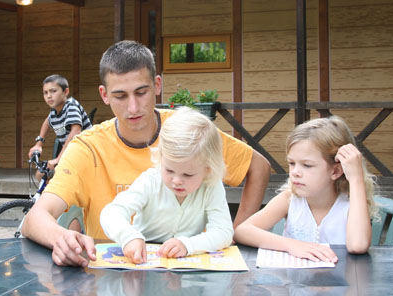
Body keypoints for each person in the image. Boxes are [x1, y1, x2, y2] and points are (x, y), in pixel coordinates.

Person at [21, 40, 270, 267]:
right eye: (120, 96)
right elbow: (36, 218)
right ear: (104, 95)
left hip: (188, 273)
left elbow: (257, 166)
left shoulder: (187, 133)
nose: (133, 107)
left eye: (141, 92)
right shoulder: (88, 147)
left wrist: (236, 237)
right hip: (113, 278)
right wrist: (61, 239)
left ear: (157, 85)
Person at [233, 115, 377, 262]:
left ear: (335, 171)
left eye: (307, 165)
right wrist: (292, 245)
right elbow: (242, 231)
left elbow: (358, 245)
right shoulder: (289, 199)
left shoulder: (352, 204)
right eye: (291, 163)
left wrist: (356, 178)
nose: (295, 172)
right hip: (296, 276)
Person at [100, 107, 233, 264]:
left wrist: (188, 245)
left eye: (188, 174)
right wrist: (128, 237)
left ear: (208, 169)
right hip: (143, 260)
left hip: (185, 264)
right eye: (169, 170)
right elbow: (111, 213)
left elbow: (223, 231)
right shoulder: (151, 181)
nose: (176, 180)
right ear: (161, 158)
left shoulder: (211, 185)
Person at [27, 74, 92, 171]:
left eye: (53, 91)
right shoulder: (54, 111)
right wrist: (39, 144)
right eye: (45, 92)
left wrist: (59, 158)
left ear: (66, 92)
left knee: (53, 174)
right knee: (41, 174)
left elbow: (76, 131)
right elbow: (47, 121)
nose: (49, 96)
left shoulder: (71, 105)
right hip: (74, 155)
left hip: (88, 155)